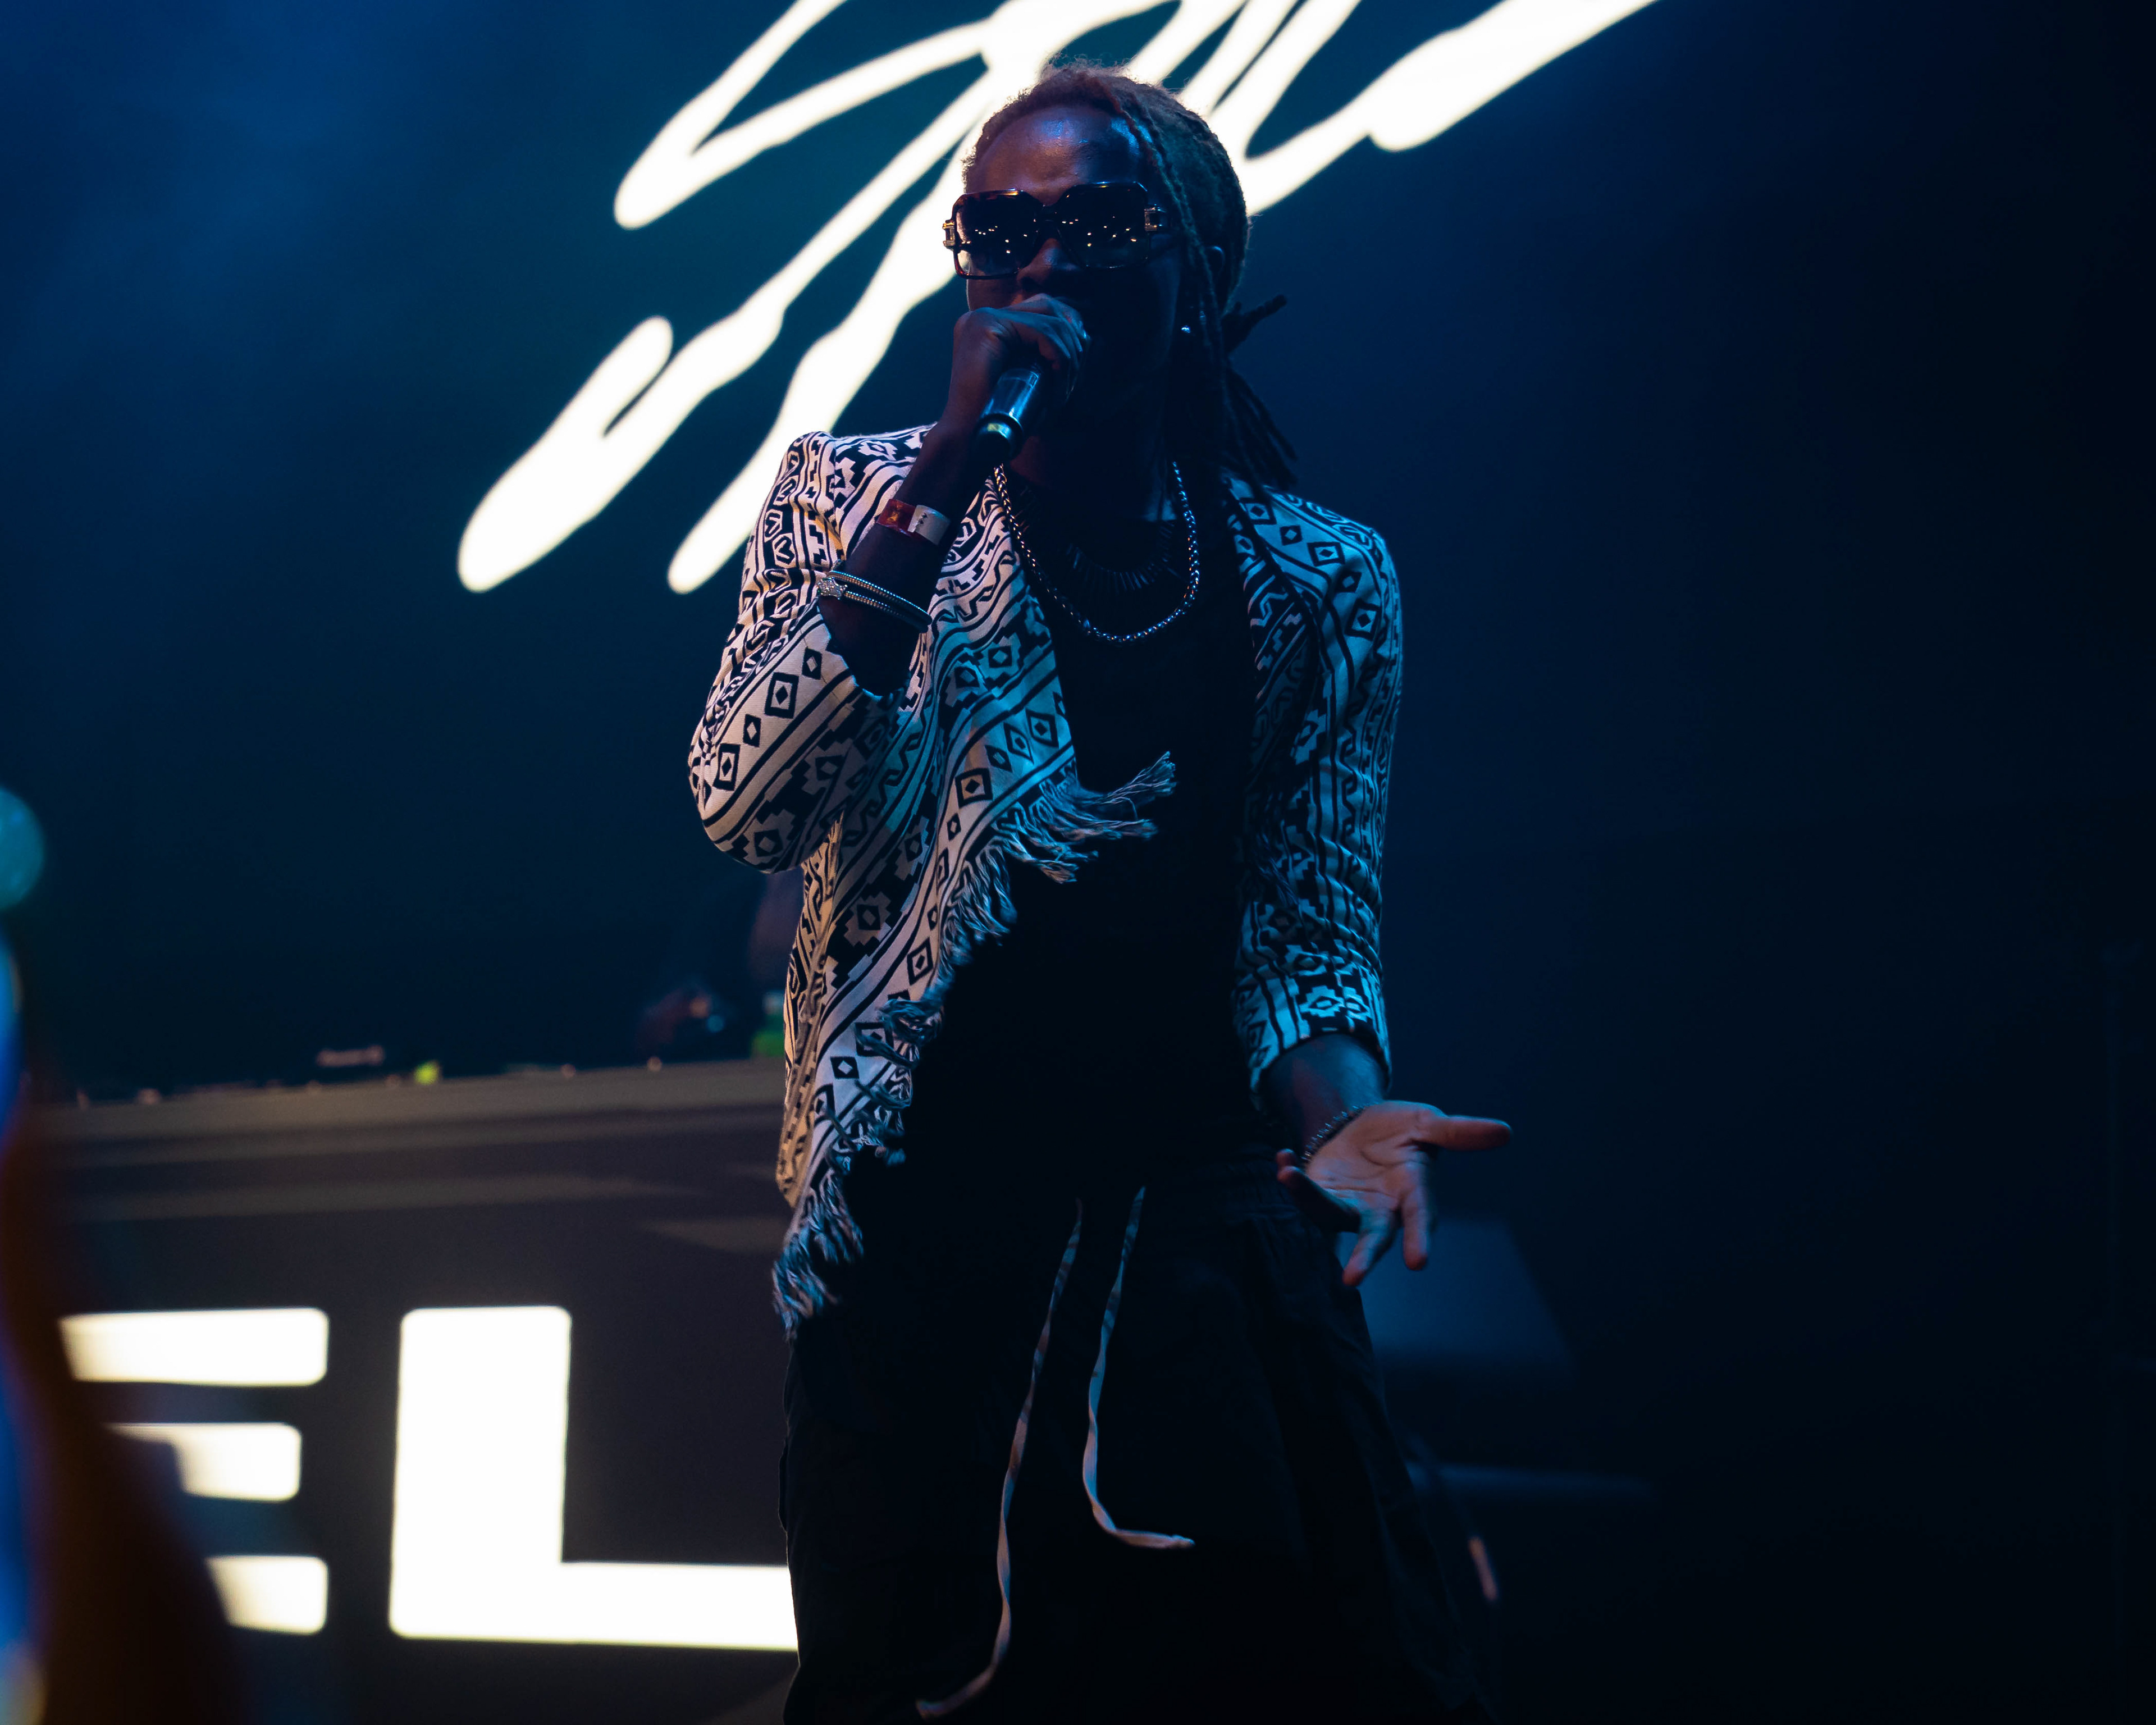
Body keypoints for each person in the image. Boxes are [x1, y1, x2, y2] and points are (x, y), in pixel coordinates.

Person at [691, 63, 1510, 1725]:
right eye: (999, 231)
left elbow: (1306, 921)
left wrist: (1343, 1119)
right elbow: (749, 803)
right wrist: (940, 473)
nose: (1044, 260)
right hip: (921, 1235)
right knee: (924, 1677)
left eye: (1100, 222)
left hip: (1193, 1234)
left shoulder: (1318, 575)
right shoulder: (841, 496)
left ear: (1196, 268)